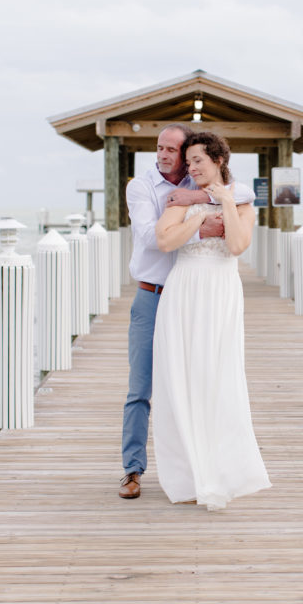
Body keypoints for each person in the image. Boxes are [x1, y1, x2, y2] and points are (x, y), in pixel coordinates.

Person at [120, 124, 254, 499]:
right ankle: (132, 469)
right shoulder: (144, 188)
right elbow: (153, 238)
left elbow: (238, 193)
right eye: (159, 148)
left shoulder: (205, 188)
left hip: (209, 296)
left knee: (205, 379)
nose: (165, 155)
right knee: (143, 385)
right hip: (157, 292)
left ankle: (208, 463)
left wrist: (209, 196)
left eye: (174, 151)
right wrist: (199, 222)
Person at [151, 131, 271, 510]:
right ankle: (187, 476)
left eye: (198, 160)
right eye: (188, 162)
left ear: (218, 159)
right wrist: (199, 218)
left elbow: (236, 245)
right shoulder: (181, 199)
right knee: (180, 376)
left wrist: (225, 204)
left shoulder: (243, 201)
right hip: (184, 287)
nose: (192, 168)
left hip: (221, 291)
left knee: (217, 375)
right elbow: (165, 241)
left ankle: (220, 469)